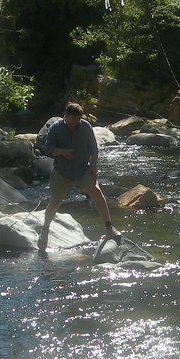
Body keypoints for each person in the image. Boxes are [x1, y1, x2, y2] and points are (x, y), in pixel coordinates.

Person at [38, 102, 120, 252]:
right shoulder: (56, 128)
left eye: (78, 120)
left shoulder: (85, 126)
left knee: (97, 193)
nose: (76, 123)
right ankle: (45, 230)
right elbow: (48, 149)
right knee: (55, 202)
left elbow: (94, 148)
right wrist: (62, 152)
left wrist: (94, 166)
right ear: (66, 116)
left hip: (83, 170)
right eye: (74, 120)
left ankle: (109, 228)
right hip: (62, 172)